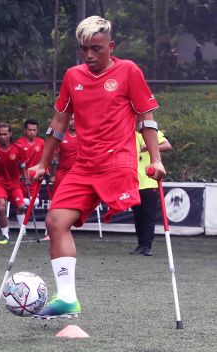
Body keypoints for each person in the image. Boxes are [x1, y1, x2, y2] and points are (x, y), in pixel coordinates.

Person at [28, 16, 165, 319]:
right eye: (83, 49)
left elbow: (146, 118)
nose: (89, 56)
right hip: (83, 166)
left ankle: (144, 242)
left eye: (96, 49)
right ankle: (66, 299)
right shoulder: (72, 76)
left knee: (137, 207)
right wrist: (41, 162)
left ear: (110, 46)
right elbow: (59, 124)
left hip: (117, 163)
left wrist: (155, 159)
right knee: (55, 221)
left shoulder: (129, 71)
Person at [0, 122, 28, 245]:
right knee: (1, 208)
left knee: (21, 207)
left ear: (10, 134)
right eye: (0, 134)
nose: (2, 137)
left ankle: (22, 231)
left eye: (5, 134)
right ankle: (5, 235)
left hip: (14, 183)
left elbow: (22, 165)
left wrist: (26, 178)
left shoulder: (18, 148)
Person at [131, 130, 172, 256]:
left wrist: (150, 147)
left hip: (150, 182)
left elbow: (168, 146)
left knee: (149, 216)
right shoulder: (129, 132)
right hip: (134, 182)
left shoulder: (152, 132)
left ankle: (147, 246)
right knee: (138, 216)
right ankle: (140, 244)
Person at [50, 115, 78, 195]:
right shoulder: (60, 135)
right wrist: (52, 175)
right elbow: (54, 158)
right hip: (62, 174)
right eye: (71, 119)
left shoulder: (83, 135)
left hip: (78, 174)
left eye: (75, 119)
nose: (73, 122)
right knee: (57, 200)